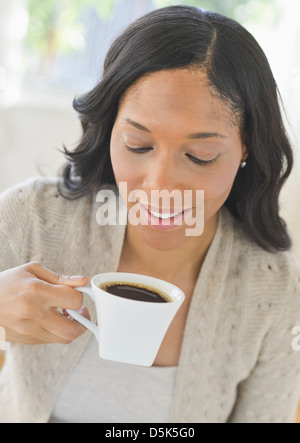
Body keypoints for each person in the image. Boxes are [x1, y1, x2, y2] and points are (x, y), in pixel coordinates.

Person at [0, 4, 300, 424]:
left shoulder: (276, 290)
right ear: (110, 129)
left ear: (246, 146)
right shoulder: (31, 218)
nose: (159, 185)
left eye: (200, 156)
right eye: (138, 146)